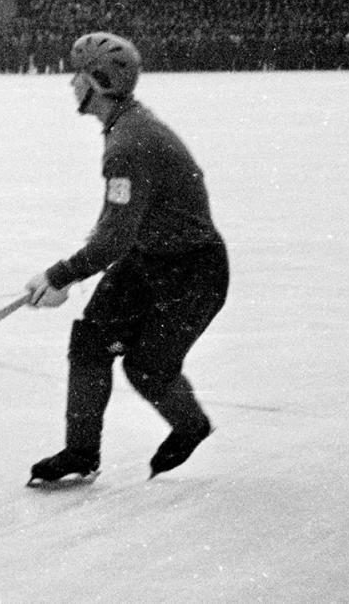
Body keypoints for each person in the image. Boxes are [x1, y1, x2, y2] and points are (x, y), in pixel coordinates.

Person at [23, 32, 229, 486]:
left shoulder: (129, 145)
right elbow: (120, 224)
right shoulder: (126, 126)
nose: (70, 84)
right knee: (91, 342)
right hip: (150, 259)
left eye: (77, 75)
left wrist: (61, 274)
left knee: (147, 367)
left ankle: (191, 425)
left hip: (193, 273)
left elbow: (114, 239)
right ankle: (80, 452)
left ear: (98, 82)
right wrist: (85, 256)